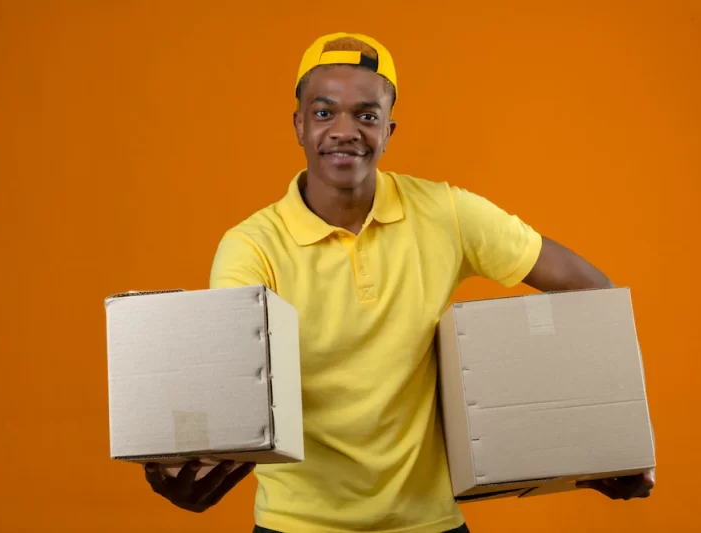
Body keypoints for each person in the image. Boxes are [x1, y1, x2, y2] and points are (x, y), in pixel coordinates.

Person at [143, 32, 655, 533]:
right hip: (298, 525)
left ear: (389, 129)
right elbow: (226, 384)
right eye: (324, 113)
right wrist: (178, 464)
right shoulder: (252, 246)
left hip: (428, 523)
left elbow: (592, 292)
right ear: (298, 126)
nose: (345, 130)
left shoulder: (445, 212)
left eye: (366, 115)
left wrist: (603, 436)